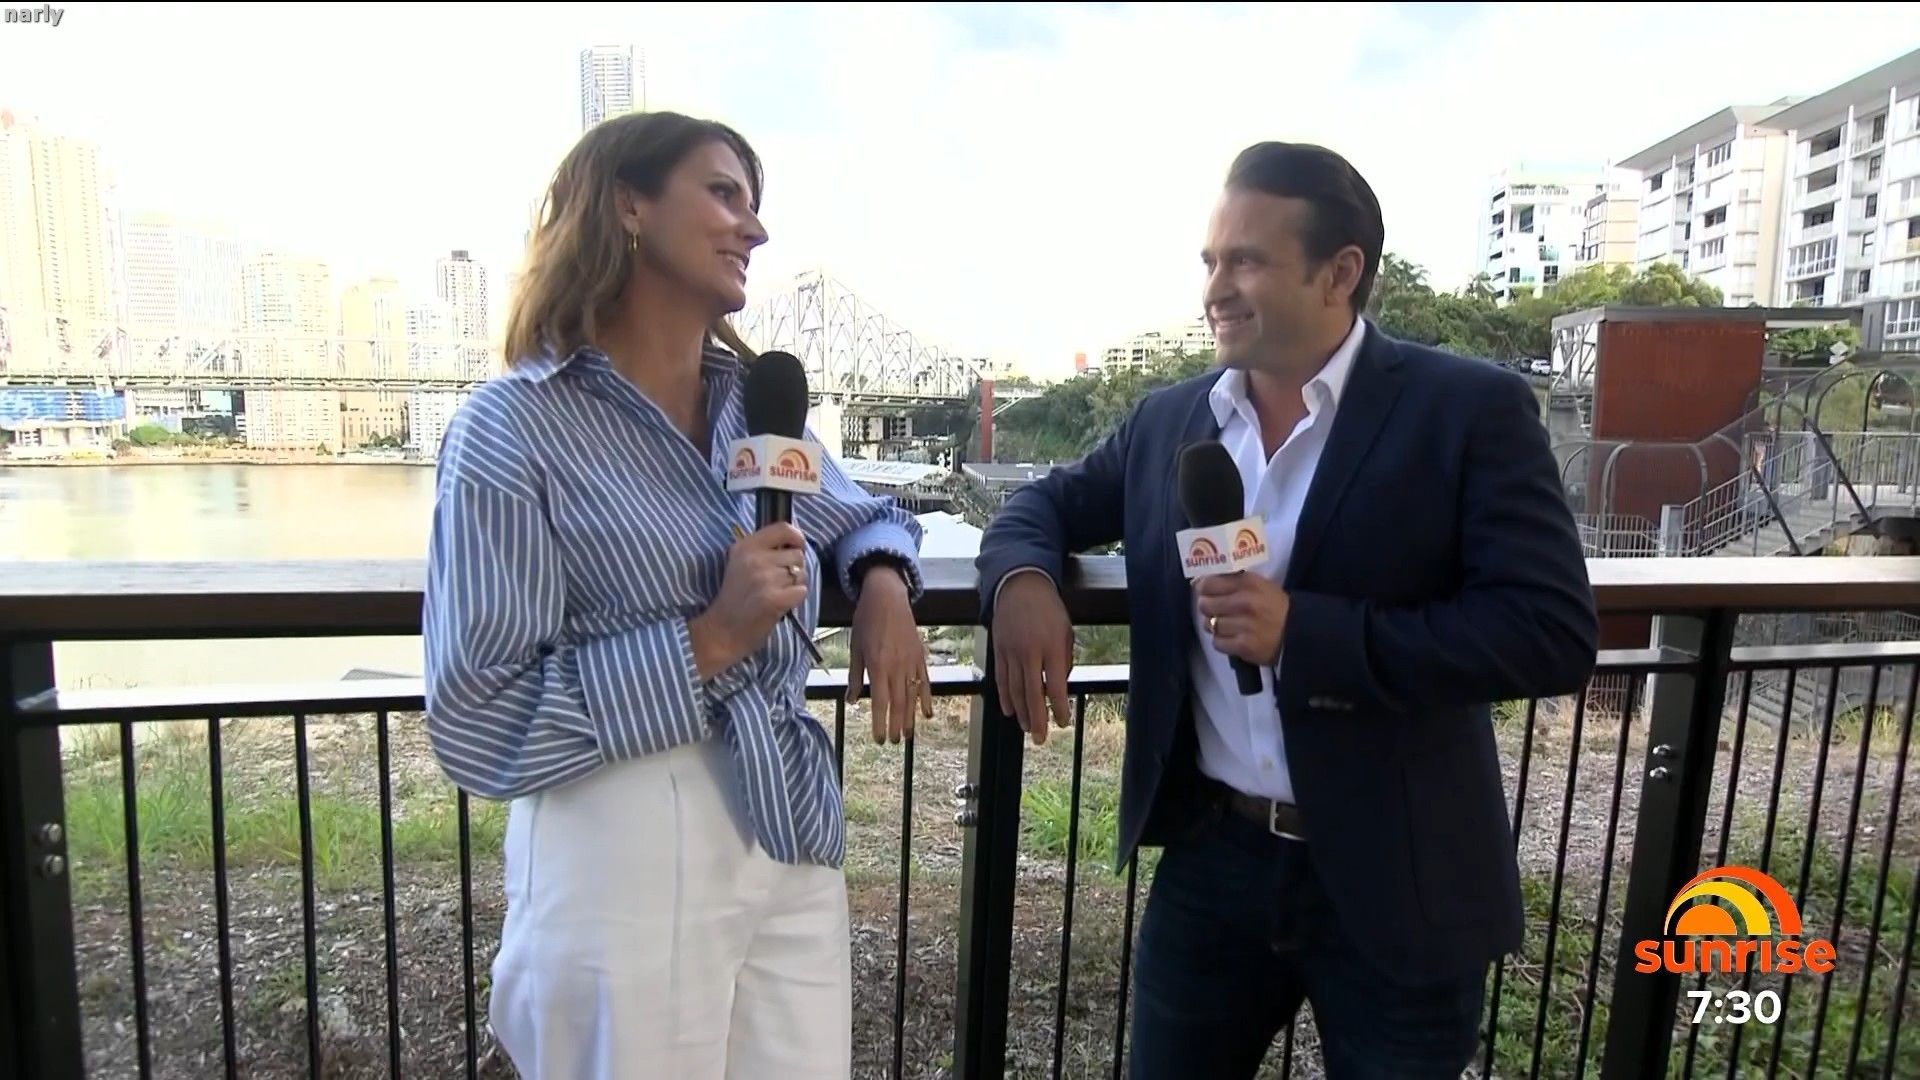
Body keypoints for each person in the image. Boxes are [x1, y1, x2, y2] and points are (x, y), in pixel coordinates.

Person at [976, 141, 1599, 1078]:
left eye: (1246, 261)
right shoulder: (1170, 420)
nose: (1214, 289)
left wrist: (1305, 633)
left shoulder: (1467, 410)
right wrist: (1022, 583)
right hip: (1214, 862)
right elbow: (1042, 505)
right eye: (1210, 261)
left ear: (1339, 273)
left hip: (1402, 875)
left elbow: (1549, 631)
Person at [422, 111, 933, 1080]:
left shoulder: (757, 410)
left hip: (784, 825)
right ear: (629, 205)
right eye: (724, 194)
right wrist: (707, 640)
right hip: (619, 838)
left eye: (755, 203)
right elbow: (479, 720)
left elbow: (868, 513)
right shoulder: (513, 429)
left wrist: (880, 582)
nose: (755, 227)